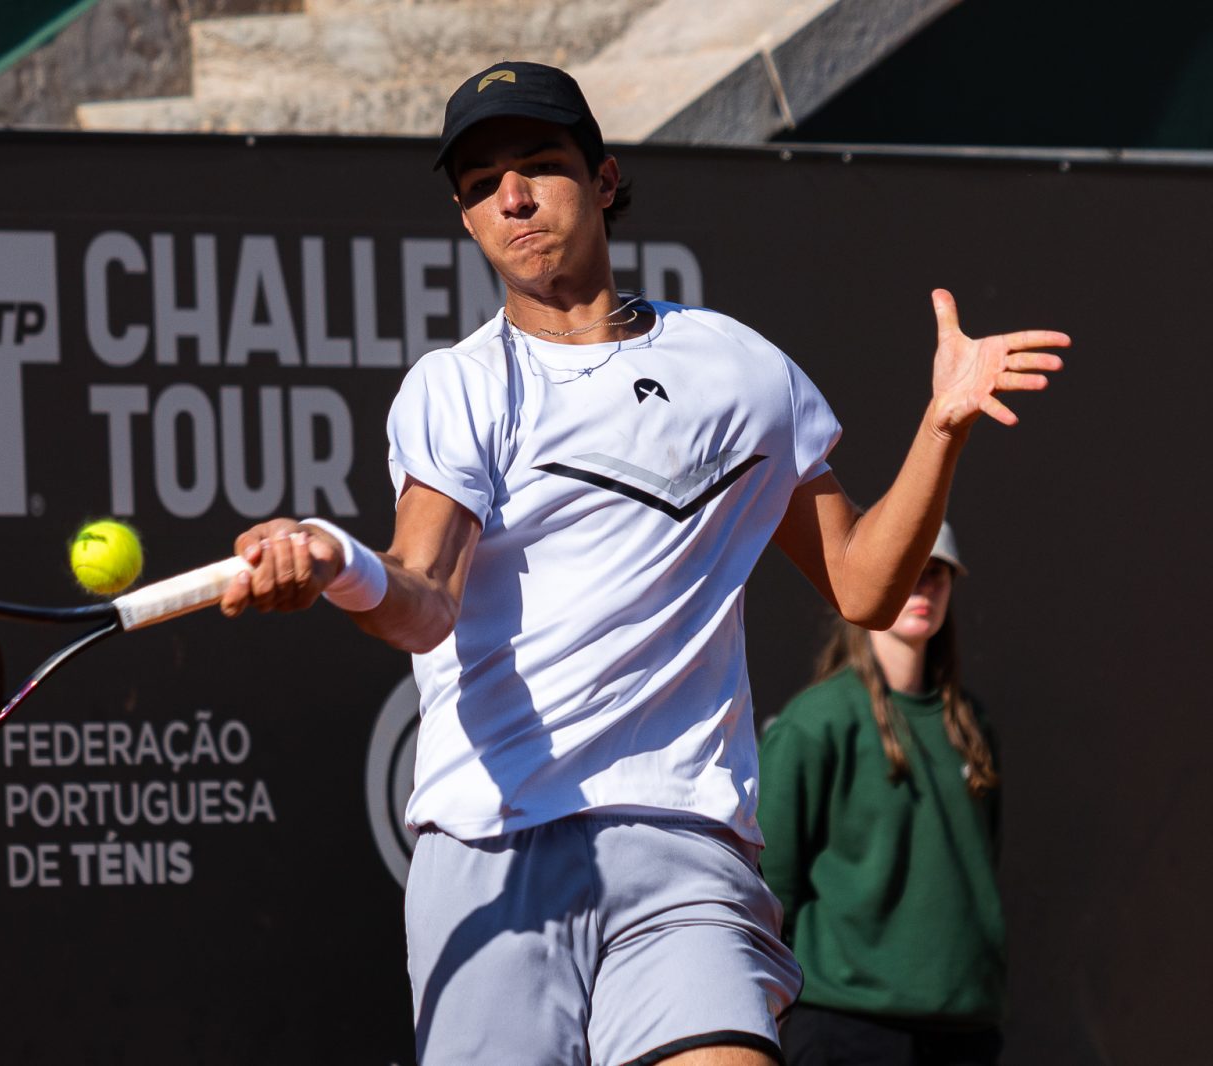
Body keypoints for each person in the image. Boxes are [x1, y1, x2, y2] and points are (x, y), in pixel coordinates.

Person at [218, 60, 1067, 1066]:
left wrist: (940, 427)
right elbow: (422, 599)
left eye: (539, 165)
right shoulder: (457, 387)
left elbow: (863, 584)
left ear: (606, 178)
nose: (513, 199)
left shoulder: (739, 369)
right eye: (482, 186)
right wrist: (338, 562)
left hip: (685, 845)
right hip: (495, 848)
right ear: (467, 218)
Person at [758, 525, 1006, 1066]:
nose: (923, 587)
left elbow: (984, 856)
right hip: (845, 1024)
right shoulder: (815, 724)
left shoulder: (971, 723)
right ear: (873, 574)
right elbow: (770, 888)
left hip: (963, 1025)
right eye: (908, 568)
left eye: (936, 572)